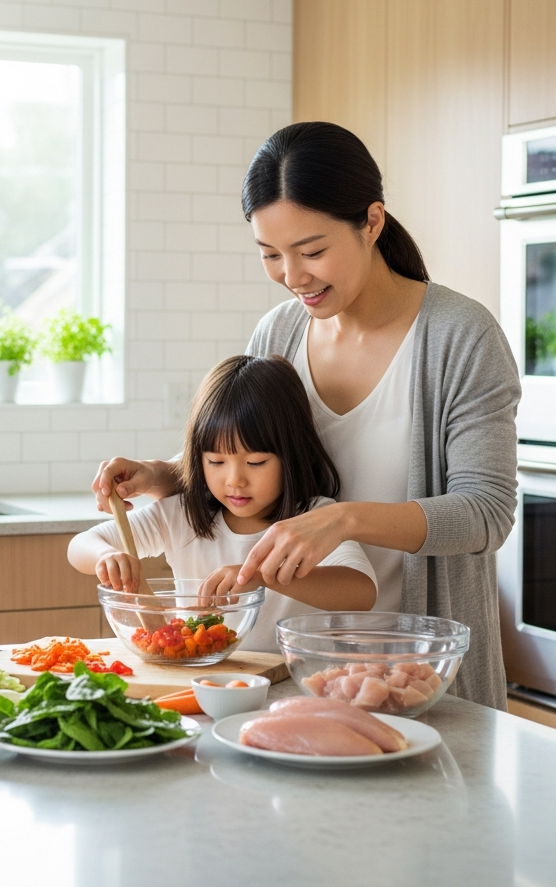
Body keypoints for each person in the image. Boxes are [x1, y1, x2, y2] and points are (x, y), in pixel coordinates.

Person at [93, 122, 520, 710]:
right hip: (297, 676)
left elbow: (485, 514)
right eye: (270, 254)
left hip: (412, 680)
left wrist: (343, 521)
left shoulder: (459, 336)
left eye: (313, 251)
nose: (293, 277)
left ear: (371, 222)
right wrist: (167, 473)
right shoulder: (281, 330)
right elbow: (254, 450)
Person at [69, 354, 377, 652]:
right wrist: (106, 556)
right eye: (216, 461)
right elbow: (81, 545)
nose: (235, 480)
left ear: (291, 456)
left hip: (289, 683)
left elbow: (362, 592)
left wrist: (257, 575)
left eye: (256, 462)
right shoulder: (183, 513)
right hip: (201, 678)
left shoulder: (312, 519)